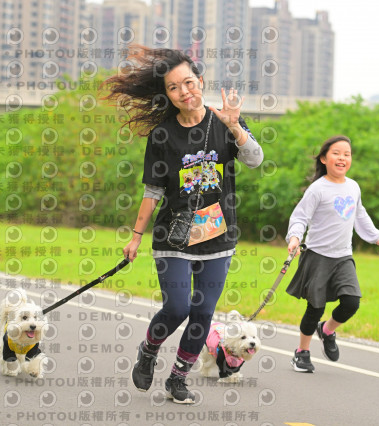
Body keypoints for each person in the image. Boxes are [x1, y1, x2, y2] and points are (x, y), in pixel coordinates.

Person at [103, 45, 264, 404]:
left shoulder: (224, 121)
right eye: (174, 87)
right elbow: (153, 190)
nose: (184, 91)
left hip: (218, 237)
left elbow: (255, 159)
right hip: (173, 236)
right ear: (168, 95)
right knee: (177, 307)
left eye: (188, 82)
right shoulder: (162, 135)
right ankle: (149, 349)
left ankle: (178, 377)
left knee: (203, 312)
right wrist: (135, 237)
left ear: (200, 81)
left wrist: (235, 127)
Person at [285, 135, 379, 373]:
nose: (342, 158)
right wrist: (294, 237)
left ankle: (327, 330)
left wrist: (377, 237)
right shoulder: (317, 189)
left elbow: (360, 215)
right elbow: (300, 216)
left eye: (347, 154)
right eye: (336, 153)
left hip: (343, 256)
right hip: (317, 256)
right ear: (324, 159)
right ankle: (301, 352)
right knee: (315, 308)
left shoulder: (353, 186)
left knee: (352, 302)